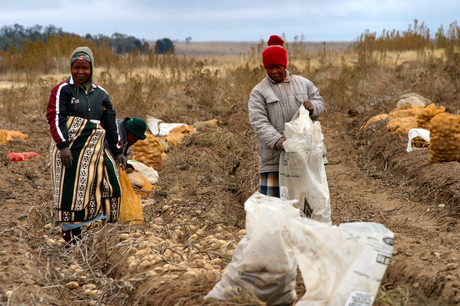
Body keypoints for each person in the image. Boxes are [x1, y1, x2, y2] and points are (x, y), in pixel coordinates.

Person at [46, 46, 126, 247]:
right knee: (69, 195)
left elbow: (110, 122)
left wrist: (118, 151)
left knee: (106, 185)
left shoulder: (101, 93)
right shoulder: (62, 90)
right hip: (69, 151)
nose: (80, 72)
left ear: (92, 69)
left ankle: (92, 232)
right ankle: (71, 238)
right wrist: (63, 145)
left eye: (85, 68)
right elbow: (56, 118)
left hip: (93, 150)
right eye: (76, 67)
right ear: (71, 68)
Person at [248, 35, 325, 198]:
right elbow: (259, 122)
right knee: (274, 207)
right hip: (274, 159)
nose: (273, 71)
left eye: (277, 66)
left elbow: (319, 101)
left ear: (285, 65)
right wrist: (280, 142)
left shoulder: (304, 84)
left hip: (305, 156)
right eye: (269, 68)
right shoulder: (259, 91)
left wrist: (314, 107)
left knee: (306, 201)